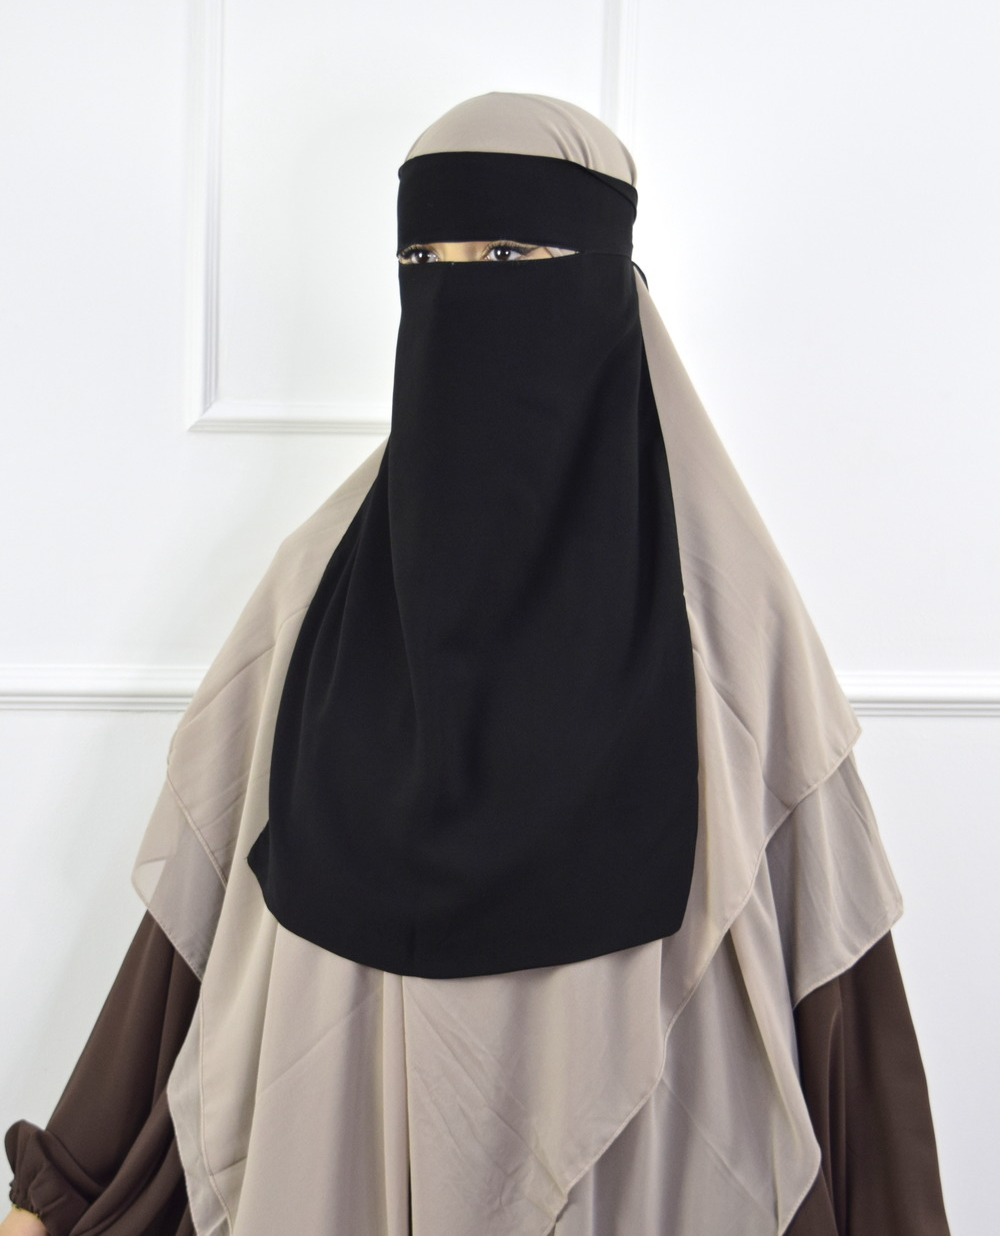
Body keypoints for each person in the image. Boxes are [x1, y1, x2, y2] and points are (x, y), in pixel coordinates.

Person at [3, 92, 950, 1236]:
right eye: (423, 259)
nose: (458, 294)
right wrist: (63, 1186)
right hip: (344, 1151)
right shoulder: (319, 582)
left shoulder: (728, 615)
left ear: (605, 278)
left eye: (505, 254)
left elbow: (840, 985)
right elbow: (191, 938)